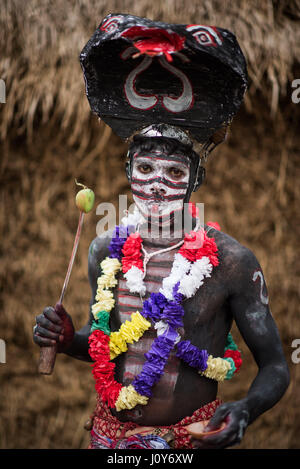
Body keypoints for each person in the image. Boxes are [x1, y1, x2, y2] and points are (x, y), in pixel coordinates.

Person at [33, 15, 290, 449]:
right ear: (128, 170)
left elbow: (276, 367)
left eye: (174, 171)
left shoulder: (230, 263)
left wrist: (246, 409)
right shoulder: (103, 251)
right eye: (146, 167)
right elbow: (112, 345)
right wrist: (67, 341)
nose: (156, 182)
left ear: (196, 180)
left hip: (188, 442)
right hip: (109, 439)